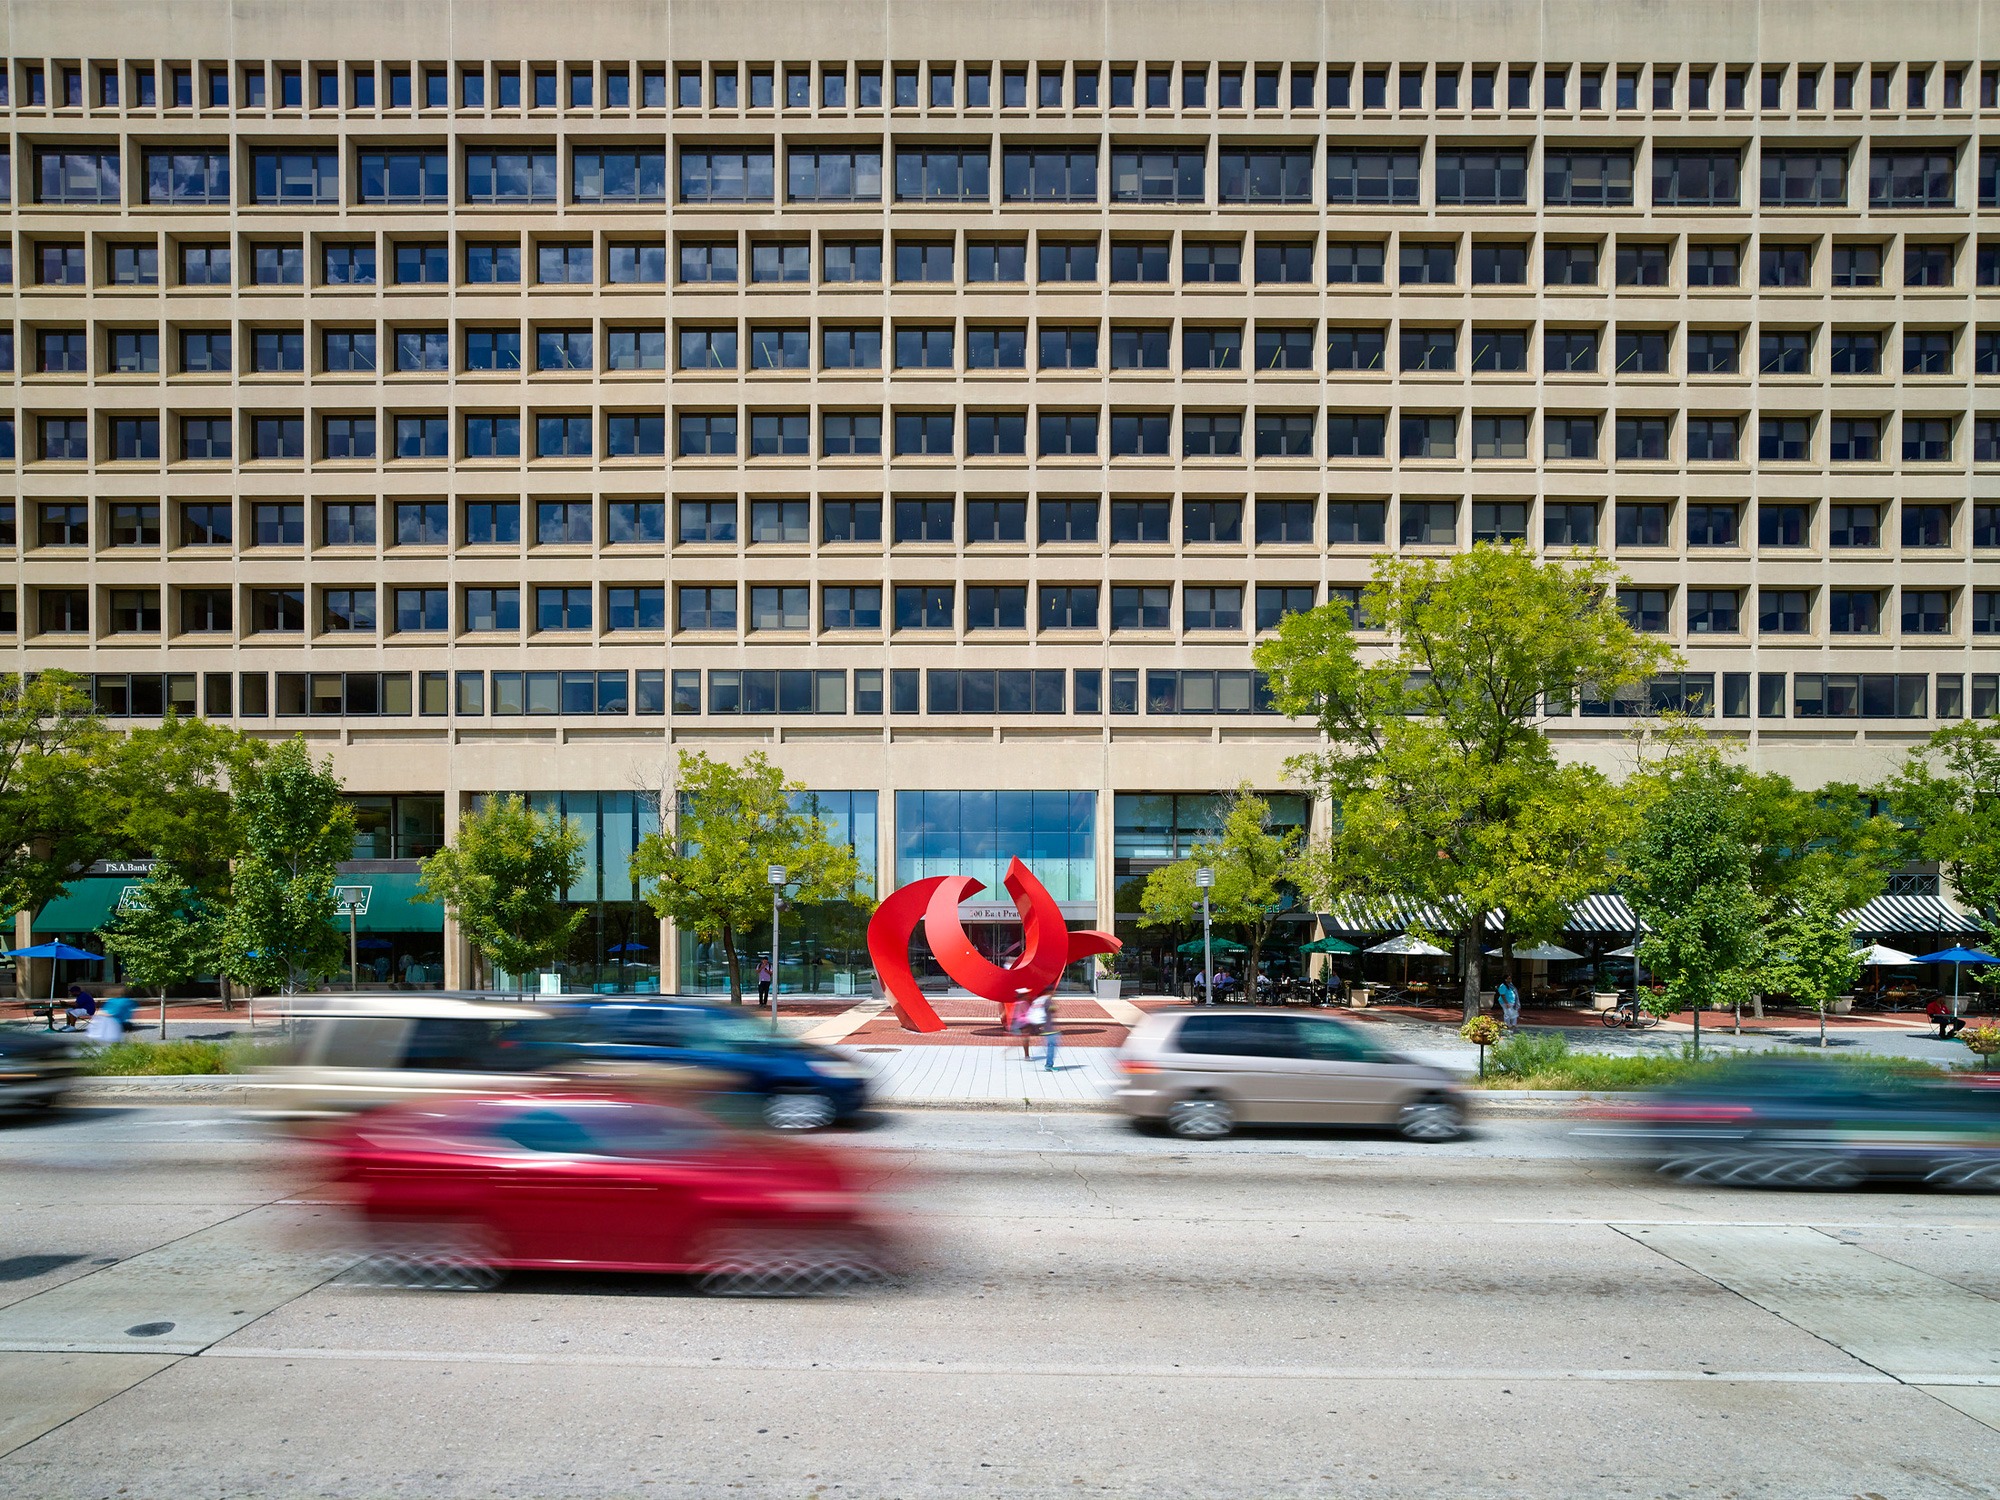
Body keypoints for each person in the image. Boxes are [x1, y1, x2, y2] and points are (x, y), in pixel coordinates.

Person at [1040, 992, 1061, 1071]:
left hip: (1049, 1029)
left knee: (1051, 1046)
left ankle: (1049, 1064)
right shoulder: (1047, 1001)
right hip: (1049, 1030)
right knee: (1051, 1046)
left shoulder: (1046, 1000)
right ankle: (1049, 1065)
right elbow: (1053, 1009)